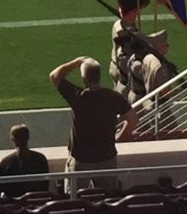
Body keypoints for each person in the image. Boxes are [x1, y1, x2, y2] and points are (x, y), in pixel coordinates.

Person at [49, 55, 134, 192]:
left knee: (73, 199)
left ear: (84, 79)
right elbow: (133, 120)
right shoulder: (113, 97)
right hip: (107, 157)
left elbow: (55, 76)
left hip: (81, 158)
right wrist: (119, 137)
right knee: (109, 198)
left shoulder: (78, 97)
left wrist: (77, 62)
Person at [0, 123, 49, 197]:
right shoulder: (41, 159)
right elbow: (45, 185)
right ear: (28, 138)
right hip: (38, 202)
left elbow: (4, 189)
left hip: (15, 206)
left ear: (13, 139)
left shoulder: (6, 163)